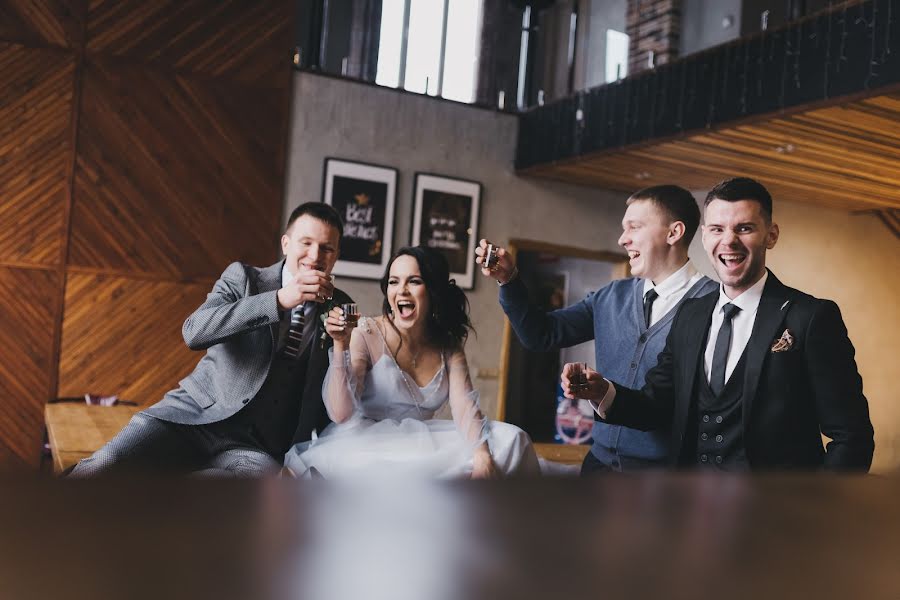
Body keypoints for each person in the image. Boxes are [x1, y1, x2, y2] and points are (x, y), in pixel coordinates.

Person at [565, 177, 874, 471]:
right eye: (717, 229)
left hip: (775, 516)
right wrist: (602, 391)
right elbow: (656, 404)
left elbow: (851, 437)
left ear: (771, 235)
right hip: (690, 509)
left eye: (744, 228)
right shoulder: (691, 315)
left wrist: (817, 512)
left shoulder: (811, 317)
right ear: (703, 236)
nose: (729, 241)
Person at [70, 202, 351, 476]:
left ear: (336, 254)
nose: (315, 256)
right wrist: (278, 300)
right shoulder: (244, 278)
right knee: (108, 462)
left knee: (215, 506)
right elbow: (194, 331)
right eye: (306, 243)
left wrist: (343, 344)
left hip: (255, 446)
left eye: (327, 248)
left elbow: (333, 396)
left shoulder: (342, 307)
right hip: (192, 418)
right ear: (286, 244)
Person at [477, 185, 717, 474]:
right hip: (598, 467)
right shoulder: (610, 297)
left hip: (664, 482)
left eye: (634, 227)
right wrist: (509, 280)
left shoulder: (715, 305)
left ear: (674, 233)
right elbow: (541, 334)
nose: (623, 239)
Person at [283, 246, 539, 479]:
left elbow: (465, 409)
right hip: (364, 444)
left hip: (423, 439)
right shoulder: (367, 332)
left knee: (513, 440)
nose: (401, 290)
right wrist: (340, 345)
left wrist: (482, 453)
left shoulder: (448, 346)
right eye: (394, 282)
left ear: (433, 291)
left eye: (414, 281)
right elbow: (340, 414)